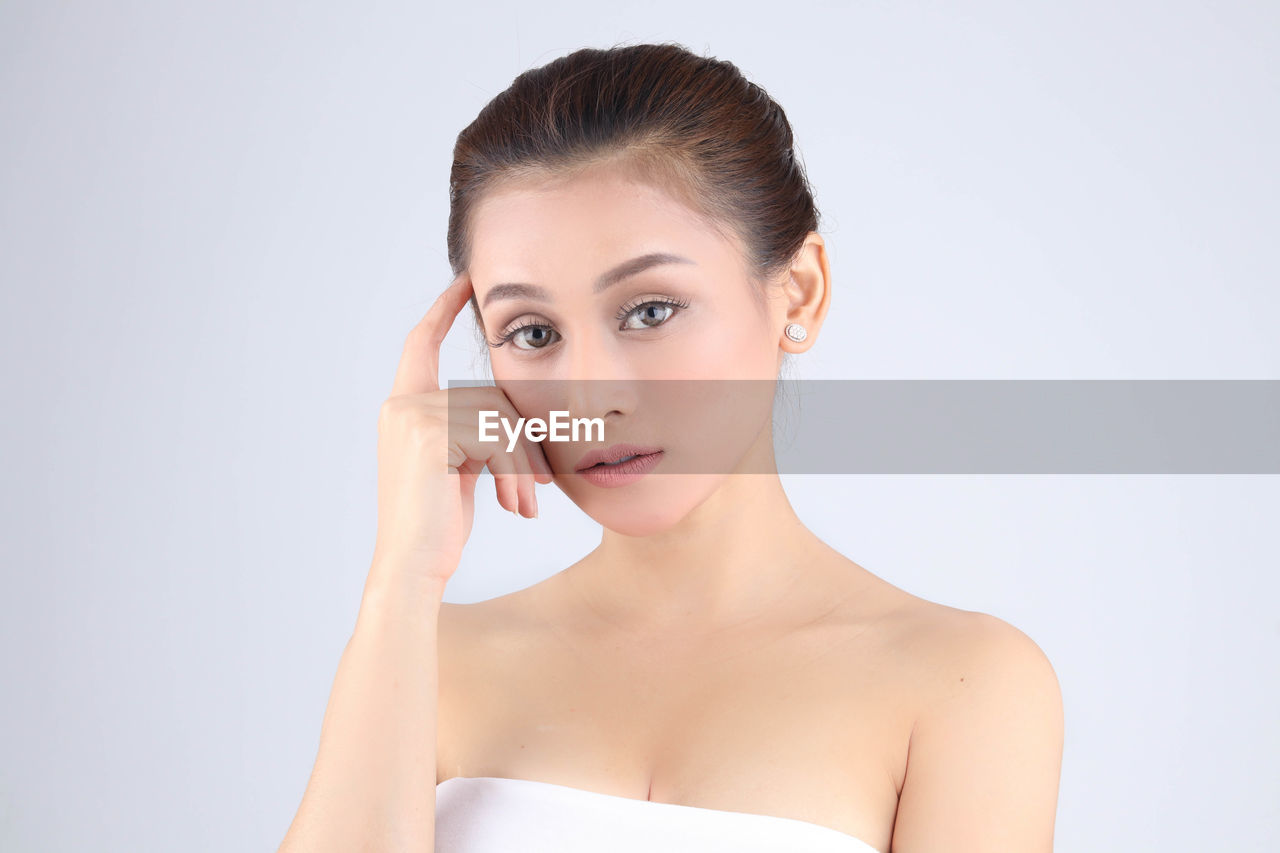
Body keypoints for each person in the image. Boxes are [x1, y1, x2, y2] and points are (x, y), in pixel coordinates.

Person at [275, 42, 1064, 853]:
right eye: (533, 331)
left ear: (800, 290)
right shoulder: (424, 658)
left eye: (650, 310)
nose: (589, 394)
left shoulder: (964, 685)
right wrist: (402, 577)